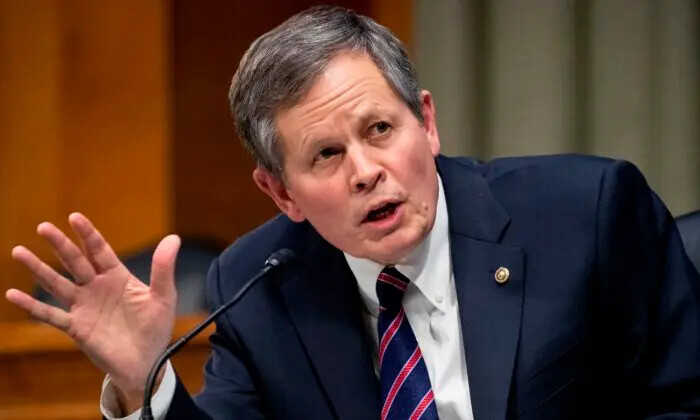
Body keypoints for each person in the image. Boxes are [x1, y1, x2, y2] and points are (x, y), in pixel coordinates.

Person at [5, 5, 700, 420]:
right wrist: (142, 380)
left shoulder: (587, 215)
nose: (367, 172)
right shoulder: (260, 287)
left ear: (425, 124)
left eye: (379, 131)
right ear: (281, 194)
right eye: (327, 156)